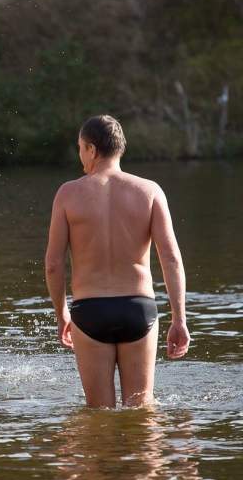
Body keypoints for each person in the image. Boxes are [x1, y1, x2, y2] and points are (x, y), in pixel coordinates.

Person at [45, 115, 190, 408]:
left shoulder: (68, 194)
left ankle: (104, 454)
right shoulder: (150, 192)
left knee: (98, 414)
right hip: (138, 310)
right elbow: (171, 258)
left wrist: (62, 315)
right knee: (142, 411)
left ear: (92, 150)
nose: (80, 156)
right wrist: (179, 319)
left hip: (90, 310)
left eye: (80, 148)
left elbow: (53, 263)